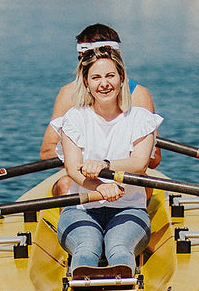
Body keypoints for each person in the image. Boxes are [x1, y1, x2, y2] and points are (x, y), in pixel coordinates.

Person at [50, 43, 162, 275]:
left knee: (119, 247)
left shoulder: (140, 118)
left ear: (122, 78)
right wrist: (100, 187)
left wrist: (105, 165)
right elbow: (73, 169)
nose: (104, 83)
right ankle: (82, 282)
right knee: (86, 247)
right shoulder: (74, 118)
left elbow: (140, 164)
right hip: (81, 208)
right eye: (96, 77)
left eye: (110, 75)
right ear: (86, 83)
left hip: (129, 207)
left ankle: (123, 279)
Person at [41, 24, 157, 180]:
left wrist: (106, 163)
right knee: (64, 185)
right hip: (82, 174)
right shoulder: (69, 94)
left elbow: (153, 160)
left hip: (125, 176)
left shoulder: (138, 95)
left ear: (117, 56)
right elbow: (47, 153)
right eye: (88, 55)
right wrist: (86, 164)